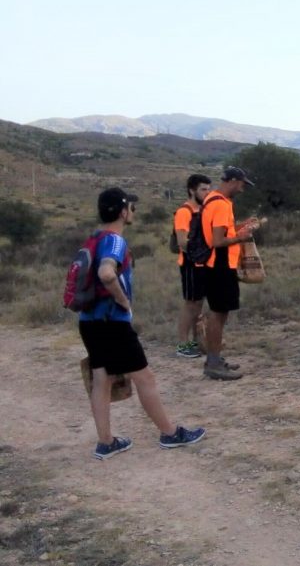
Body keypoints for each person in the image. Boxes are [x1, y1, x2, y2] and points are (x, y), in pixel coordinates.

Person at [81, 187, 205, 459]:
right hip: (112, 322)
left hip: (89, 321)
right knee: (144, 377)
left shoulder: (94, 237)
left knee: (102, 378)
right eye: (132, 208)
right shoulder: (114, 241)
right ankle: (170, 433)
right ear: (124, 211)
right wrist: (124, 302)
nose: (133, 213)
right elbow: (106, 273)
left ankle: (106, 441)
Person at [201, 166, 255, 380]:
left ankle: (214, 358)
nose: (242, 189)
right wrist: (241, 238)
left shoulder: (212, 199)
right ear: (232, 181)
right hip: (220, 266)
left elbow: (219, 233)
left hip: (215, 265)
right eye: (242, 184)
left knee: (219, 313)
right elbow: (217, 241)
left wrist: (239, 228)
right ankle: (213, 363)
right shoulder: (222, 205)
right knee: (218, 314)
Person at [173, 174, 212, 358]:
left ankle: (198, 341)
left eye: (208, 189)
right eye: (203, 189)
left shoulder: (204, 210)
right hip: (189, 263)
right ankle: (182, 344)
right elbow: (182, 241)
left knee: (199, 303)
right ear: (192, 190)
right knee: (190, 304)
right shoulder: (184, 211)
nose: (207, 192)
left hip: (203, 262)